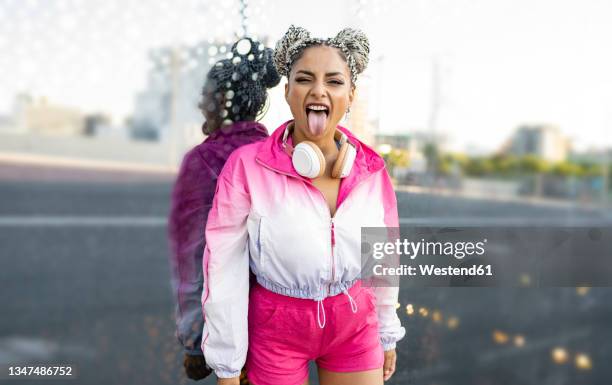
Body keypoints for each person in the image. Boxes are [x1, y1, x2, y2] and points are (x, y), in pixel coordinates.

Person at [202, 25, 406, 385]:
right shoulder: (247, 166)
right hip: (276, 327)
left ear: (351, 95)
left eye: (334, 81)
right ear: (287, 91)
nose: (318, 90)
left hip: (355, 325)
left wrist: (387, 331)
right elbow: (223, 268)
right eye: (305, 79)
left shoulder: (371, 169)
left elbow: (383, 257)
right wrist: (228, 365)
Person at [167, 36, 280, 381]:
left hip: (226, 326)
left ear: (220, 101)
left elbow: (192, 255)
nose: (200, 102)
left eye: (205, 93)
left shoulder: (202, 161)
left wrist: (193, 340)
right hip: (283, 328)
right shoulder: (281, 154)